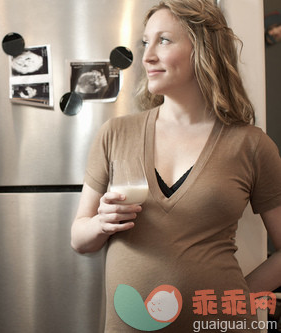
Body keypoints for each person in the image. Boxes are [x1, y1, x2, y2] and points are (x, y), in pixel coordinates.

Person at [70, 0, 281, 332]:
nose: (147, 56)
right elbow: (79, 238)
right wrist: (101, 223)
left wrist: (232, 301)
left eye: (163, 40)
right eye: (145, 42)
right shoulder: (116, 134)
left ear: (203, 49)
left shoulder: (251, 145)